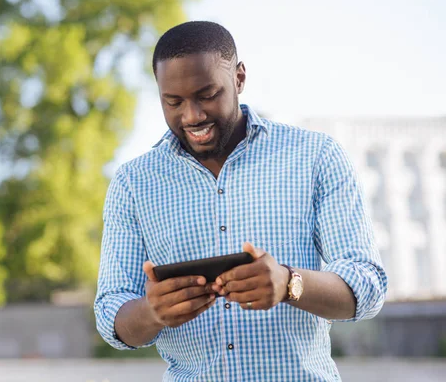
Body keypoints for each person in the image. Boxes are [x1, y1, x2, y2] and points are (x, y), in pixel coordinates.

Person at [94, 21, 387, 381]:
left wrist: (288, 282)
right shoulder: (132, 184)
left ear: (239, 78)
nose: (192, 116)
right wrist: (152, 312)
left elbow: (367, 284)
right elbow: (112, 315)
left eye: (207, 95)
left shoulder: (315, 156)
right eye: (173, 102)